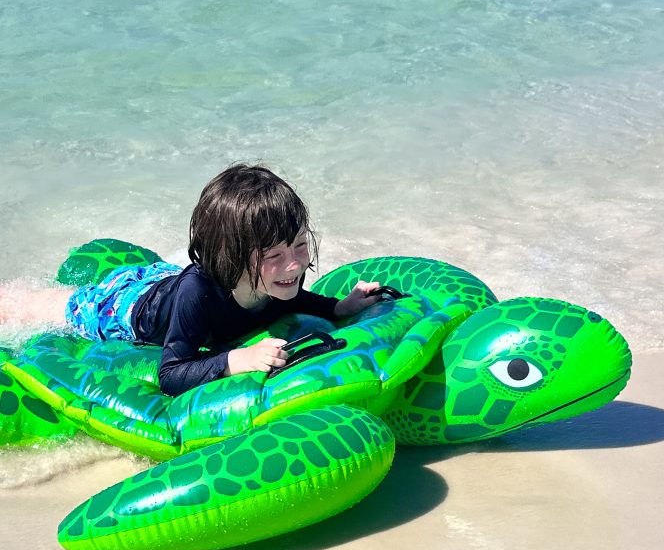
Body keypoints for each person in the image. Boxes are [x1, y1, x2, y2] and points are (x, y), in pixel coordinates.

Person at [3, 164, 381, 397]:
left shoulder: (272, 278)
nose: (295, 265)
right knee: (51, 306)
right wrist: (238, 359)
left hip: (167, 281)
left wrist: (338, 307)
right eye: (275, 256)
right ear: (233, 258)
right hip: (127, 307)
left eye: (299, 246)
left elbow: (293, 298)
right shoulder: (198, 295)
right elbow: (170, 374)